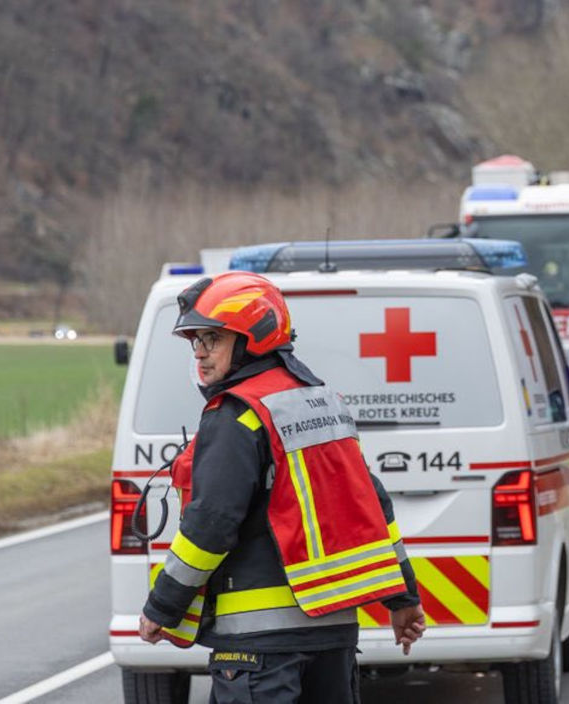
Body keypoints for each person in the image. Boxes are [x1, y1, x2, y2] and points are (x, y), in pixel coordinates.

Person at [139, 271, 426, 703]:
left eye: (212, 339)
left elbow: (211, 524)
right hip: (333, 634)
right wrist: (404, 598)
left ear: (252, 338)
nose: (199, 353)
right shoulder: (325, 404)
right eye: (195, 341)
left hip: (258, 647)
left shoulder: (237, 415)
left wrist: (162, 606)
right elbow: (374, 514)